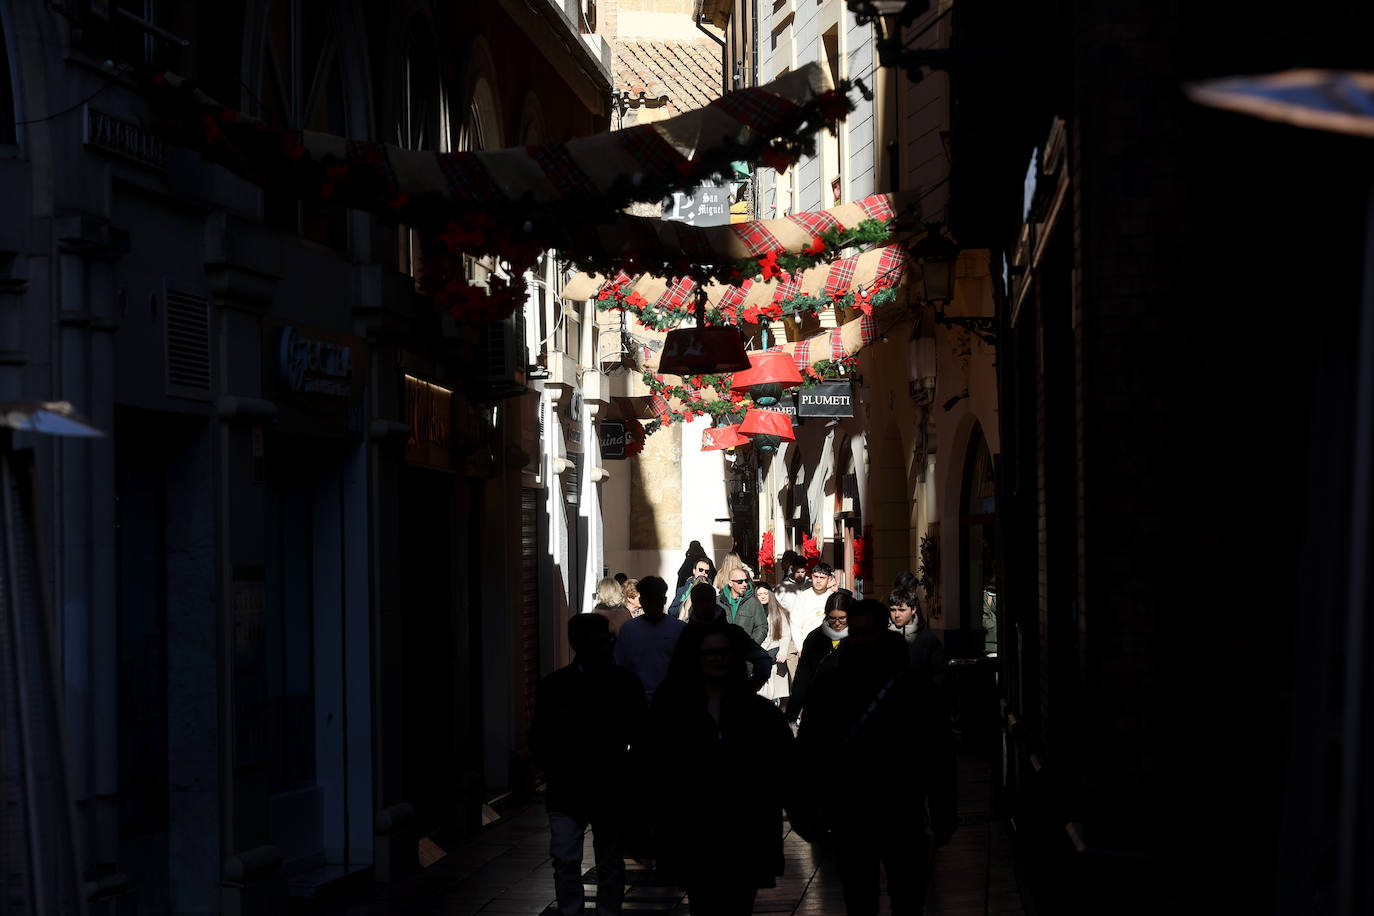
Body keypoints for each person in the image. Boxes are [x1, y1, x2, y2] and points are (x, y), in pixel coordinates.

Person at [795, 599, 956, 916]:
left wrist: (943, 810)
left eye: (868, 632)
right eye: (855, 633)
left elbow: (938, 753)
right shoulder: (832, 686)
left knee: (907, 897)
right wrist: (807, 809)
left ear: (883, 632)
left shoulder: (912, 687)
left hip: (901, 806)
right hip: (851, 810)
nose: (861, 640)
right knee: (859, 898)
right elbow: (811, 751)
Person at [646, 623, 795, 915]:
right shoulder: (672, 710)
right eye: (709, 653)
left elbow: (785, 772)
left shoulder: (760, 715)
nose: (718, 659)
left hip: (744, 837)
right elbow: (654, 769)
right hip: (695, 835)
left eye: (724, 652)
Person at [531, 614, 646, 916]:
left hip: (607, 785)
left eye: (606, 641)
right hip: (569, 786)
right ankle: (575, 911)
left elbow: (641, 733)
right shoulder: (556, 686)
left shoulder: (623, 683)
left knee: (607, 861)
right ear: (577, 645)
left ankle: (605, 911)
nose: (605, 648)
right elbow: (540, 736)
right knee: (567, 860)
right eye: (598, 643)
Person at [674, 583, 772, 690]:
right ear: (694, 603)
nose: (704, 606)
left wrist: (750, 687)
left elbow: (763, 659)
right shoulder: (687, 635)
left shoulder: (732, 633)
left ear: (713, 602)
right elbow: (675, 670)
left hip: (731, 698)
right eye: (700, 602)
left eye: (707, 601)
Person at [613, 576, 685, 704]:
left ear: (663, 600)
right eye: (648, 599)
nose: (652, 604)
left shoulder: (679, 629)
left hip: (669, 700)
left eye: (655, 599)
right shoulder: (628, 630)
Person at [787, 590, 852, 725]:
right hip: (818, 707)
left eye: (842, 618)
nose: (837, 623)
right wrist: (791, 716)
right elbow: (802, 680)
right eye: (832, 618)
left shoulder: (858, 638)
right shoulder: (814, 638)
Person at [889, 583, 947, 693]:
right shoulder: (883, 638)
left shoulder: (928, 639)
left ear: (913, 609)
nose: (896, 615)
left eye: (902, 610)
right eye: (892, 610)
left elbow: (939, 673)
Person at [776, 561, 838, 645]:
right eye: (816, 577)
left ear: (829, 579)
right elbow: (795, 625)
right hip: (807, 644)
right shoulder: (802, 597)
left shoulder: (834, 598)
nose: (818, 581)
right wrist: (800, 647)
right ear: (811, 576)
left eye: (822, 577)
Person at [754, 582, 792, 704]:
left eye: (765, 593)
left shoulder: (778, 612)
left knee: (775, 694)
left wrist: (782, 652)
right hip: (758, 656)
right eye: (759, 594)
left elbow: (785, 634)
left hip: (774, 656)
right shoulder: (753, 612)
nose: (763, 596)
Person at [717, 565, 768, 645]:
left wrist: (751, 645)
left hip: (745, 652)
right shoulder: (718, 602)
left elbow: (762, 627)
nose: (744, 584)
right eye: (740, 581)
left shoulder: (753, 602)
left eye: (746, 581)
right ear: (730, 583)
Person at [669, 555, 715, 620]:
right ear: (694, 571)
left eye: (706, 571)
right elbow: (671, 611)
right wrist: (684, 607)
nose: (703, 573)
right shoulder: (682, 590)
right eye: (701, 570)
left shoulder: (712, 590)